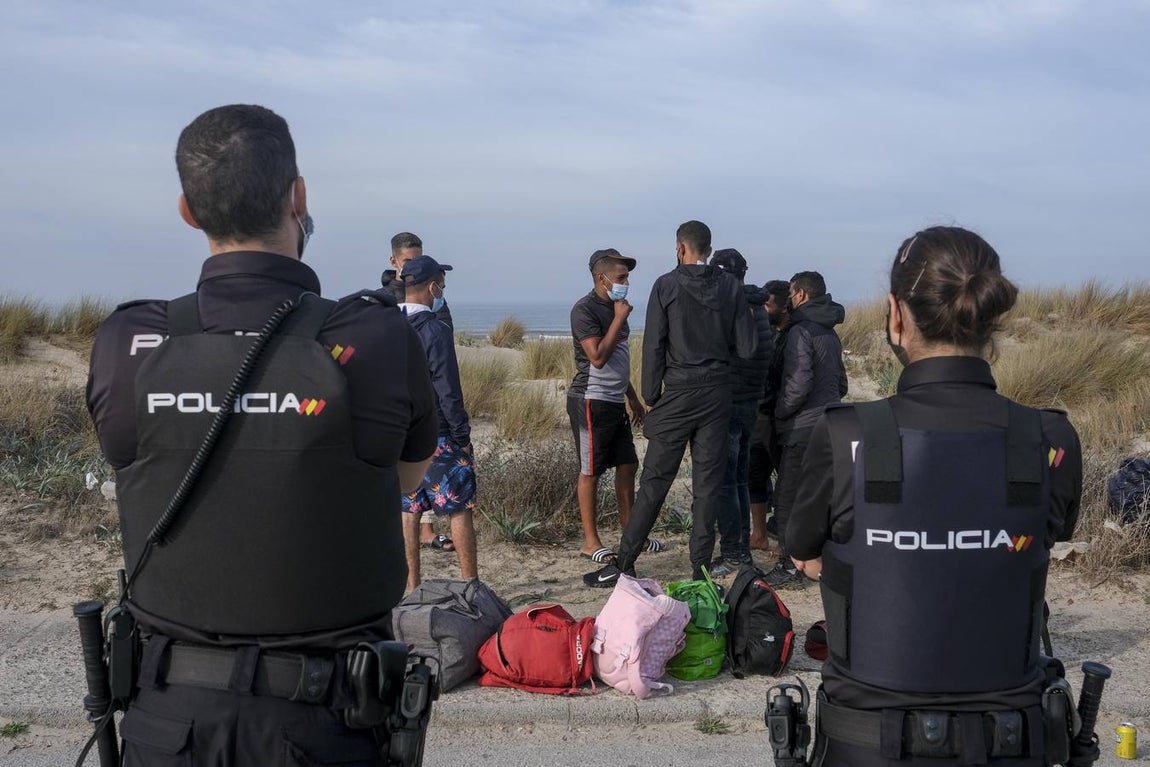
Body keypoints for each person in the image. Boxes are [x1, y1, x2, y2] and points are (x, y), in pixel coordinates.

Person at [85, 104, 437, 765]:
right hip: (326, 724)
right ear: (298, 196)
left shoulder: (127, 342)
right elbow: (403, 479)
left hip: (167, 725)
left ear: (188, 210)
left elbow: (135, 462)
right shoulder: (375, 337)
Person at [788, 226, 1082, 767]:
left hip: (864, 743)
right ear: (990, 317)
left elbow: (804, 552)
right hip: (1011, 742)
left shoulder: (845, 435)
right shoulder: (1049, 440)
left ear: (896, 316)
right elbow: (1042, 538)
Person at [585, 220, 756, 588]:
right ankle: (700, 567)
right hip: (717, 395)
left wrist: (651, 396)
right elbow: (747, 347)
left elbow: (655, 345)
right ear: (708, 249)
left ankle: (625, 562)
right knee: (707, 485)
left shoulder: (666, 285)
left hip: (678, 392)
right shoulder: (730, 287)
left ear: (680, 248)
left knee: (655, 482)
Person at [567, 248, 654, 563]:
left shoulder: (619, 308)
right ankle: (591, 541)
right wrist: (618, 318)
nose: (626, 281)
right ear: (600, 278)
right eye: (621, 277)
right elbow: (598, 358)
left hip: (615, 400)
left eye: (627, 276)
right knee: (591, 470)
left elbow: (619, 360)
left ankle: (630, 532)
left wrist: (633, 398)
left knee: (628, 464)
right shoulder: (584, 310)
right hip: (590, 399)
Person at [398, 254, 479, 592]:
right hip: (438, 432)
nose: (441, 292)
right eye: (441, 286)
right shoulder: (435, 329)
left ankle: (412, 585)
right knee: (459, 508)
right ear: (432, 287)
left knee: (410, 510)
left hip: (402, 434)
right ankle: (471, 584)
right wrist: (462, 436)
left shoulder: (389, 324)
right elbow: (448, 388)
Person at [768, 270, 847, 586]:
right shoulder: (830, 332)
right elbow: (841, 381)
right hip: (832, 424)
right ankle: (817, 558)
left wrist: (780, 412)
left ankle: (788, 565)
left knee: (788, 497)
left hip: (802, 427)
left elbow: (799, 382)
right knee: (820, 496)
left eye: (790, 292)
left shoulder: (801, 331)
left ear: (800, 294)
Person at [382, 231, 455, 552]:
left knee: (418, 496)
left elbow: (444, 342)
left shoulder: (436, 309)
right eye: (409, 261)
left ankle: (427, 531)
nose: (416, 265)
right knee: (412, 500)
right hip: (403, 415)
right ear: (394, 262)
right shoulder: (384, 299)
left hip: (427, 413)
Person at [710, 249, 773, 576]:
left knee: (727, 481)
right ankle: (740, 549)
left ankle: (734, 552)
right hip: (751, 401)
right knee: (740, 479)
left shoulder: (734, 308)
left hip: (732, 401)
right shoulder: (758, 306)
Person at [748, 279, 790, 552]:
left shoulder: (795, 336)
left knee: (787, 482)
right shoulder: (764, 332)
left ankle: (788, 543)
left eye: (768, 304)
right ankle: (759, 535)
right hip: (759, 415)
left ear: (784, 306)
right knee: (756, 475)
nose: (764, 309)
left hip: (782, 418)